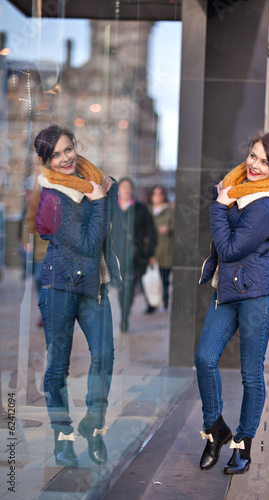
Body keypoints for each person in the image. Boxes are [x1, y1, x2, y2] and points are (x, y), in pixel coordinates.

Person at [196, 132, 269, 475]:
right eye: (253, 156)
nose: (255, 165)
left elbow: (232, 249)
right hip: (228, 292)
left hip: (256, 297)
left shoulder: (266, 205)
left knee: (251, 375)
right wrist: (225, 196)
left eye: (264, 161)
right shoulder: (237, 188)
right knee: (204, 357)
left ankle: (243, 446)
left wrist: (219, 207)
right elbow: (225, 206)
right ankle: (216, 428)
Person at [34, 125, 121, 467]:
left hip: (94, 287)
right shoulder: (53, 197)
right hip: (59, 288)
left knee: (105, 355)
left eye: (68, 149)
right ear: (46, 162)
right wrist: (99, 200)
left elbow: (98, 230)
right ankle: (62, 435)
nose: (66, 158)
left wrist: (101, 189)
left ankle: (93, 425)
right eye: (56, 155)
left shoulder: (89, 182)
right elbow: (86, 245)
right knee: (58, 366)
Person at [112, 177, 157, 332]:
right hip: (117, 254)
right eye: (123, 187)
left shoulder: (140, 208)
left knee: (129, 287)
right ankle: (124, 314)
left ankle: (125, 316)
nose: (126, 189)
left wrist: (149, 252)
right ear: (118, 190)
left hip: (135, 255)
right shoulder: (113, 208)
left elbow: (150, 231)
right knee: (121, 287)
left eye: (129, 187)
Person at [148, 185, 174, 309]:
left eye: (160, 194)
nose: (158, 197)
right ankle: (151, 304)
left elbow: (176, 227)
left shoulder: (169, 211)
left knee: (164, 280)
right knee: (150, 280)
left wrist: (168, 229)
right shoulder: (147, 210)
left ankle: (165, 302)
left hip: (165, 251)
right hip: (150, 251)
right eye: (155, 194)